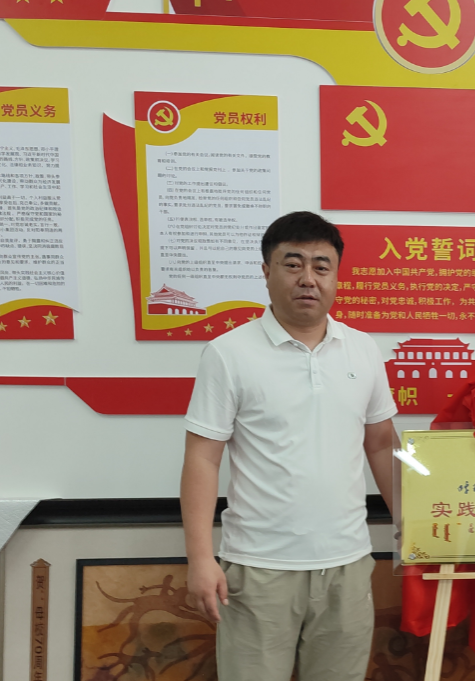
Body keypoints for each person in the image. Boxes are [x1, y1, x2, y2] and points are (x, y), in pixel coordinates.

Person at [179, 211, 398, 681]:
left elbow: (381, 445)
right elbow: (202, 457)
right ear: (266, 271)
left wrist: (410, 524)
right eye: (293, 264)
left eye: (321, 266)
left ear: (336, 276)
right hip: (258, 569)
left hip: (347, 564)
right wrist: (200, 557)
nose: (308, 279)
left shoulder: (363, 350)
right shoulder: (229, 353)